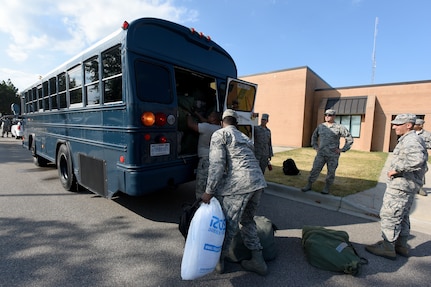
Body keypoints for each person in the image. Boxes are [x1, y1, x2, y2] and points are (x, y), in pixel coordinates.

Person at [201, 109, 268, 276]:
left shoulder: (220, 134)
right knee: (247, 220)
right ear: (236, 122)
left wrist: (209, 191)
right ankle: (258, 260)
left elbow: (216, 165)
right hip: (258, 181)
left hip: (240, 183)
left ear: (222, 121)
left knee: (226, 224)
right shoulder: (245, 137)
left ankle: (219, 261)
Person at [366, 113, 428, 259]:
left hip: (401, 185)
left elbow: (417, 159)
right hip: (407, 185)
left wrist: (397, 169)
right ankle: (401, 246)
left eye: (398, 124)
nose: (394, 127)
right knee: (403, 215)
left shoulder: (411, 140)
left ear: (408, 125)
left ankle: (388, 247)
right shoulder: (411, 138)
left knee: (390, 215)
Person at [301, 109, 353, 194]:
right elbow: (314, 137)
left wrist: (342, 149)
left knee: (331, 172)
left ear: (334, 116)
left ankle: (327, 187)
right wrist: (315, 146)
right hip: (321, 154)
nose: (327, 116)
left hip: (333, 155)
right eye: (326, 115)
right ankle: (309, 185)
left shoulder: (339, 127)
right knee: (315, 169)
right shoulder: (321, 126)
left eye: (330, 115)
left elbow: (349, 138)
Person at [186, 110, 221, 199]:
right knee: (212, 184)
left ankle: (201, 206)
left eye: (211, 115)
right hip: (216, 160)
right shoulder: (220, 128)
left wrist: (188, 115)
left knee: (201, 186)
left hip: (205, 160)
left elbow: (191, 125)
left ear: (214, 119)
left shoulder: (206, 127)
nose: (208, 116)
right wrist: (197, 113)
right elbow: (205, 121)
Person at [413, 118, 431, 196]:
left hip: (421, 156)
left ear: (420, 126)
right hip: (411, 155)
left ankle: (419, 188)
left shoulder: (427, 134)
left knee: (422, 171)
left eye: (415, 125)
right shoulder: (411, 133)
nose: (413, 126)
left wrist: (421, 144)